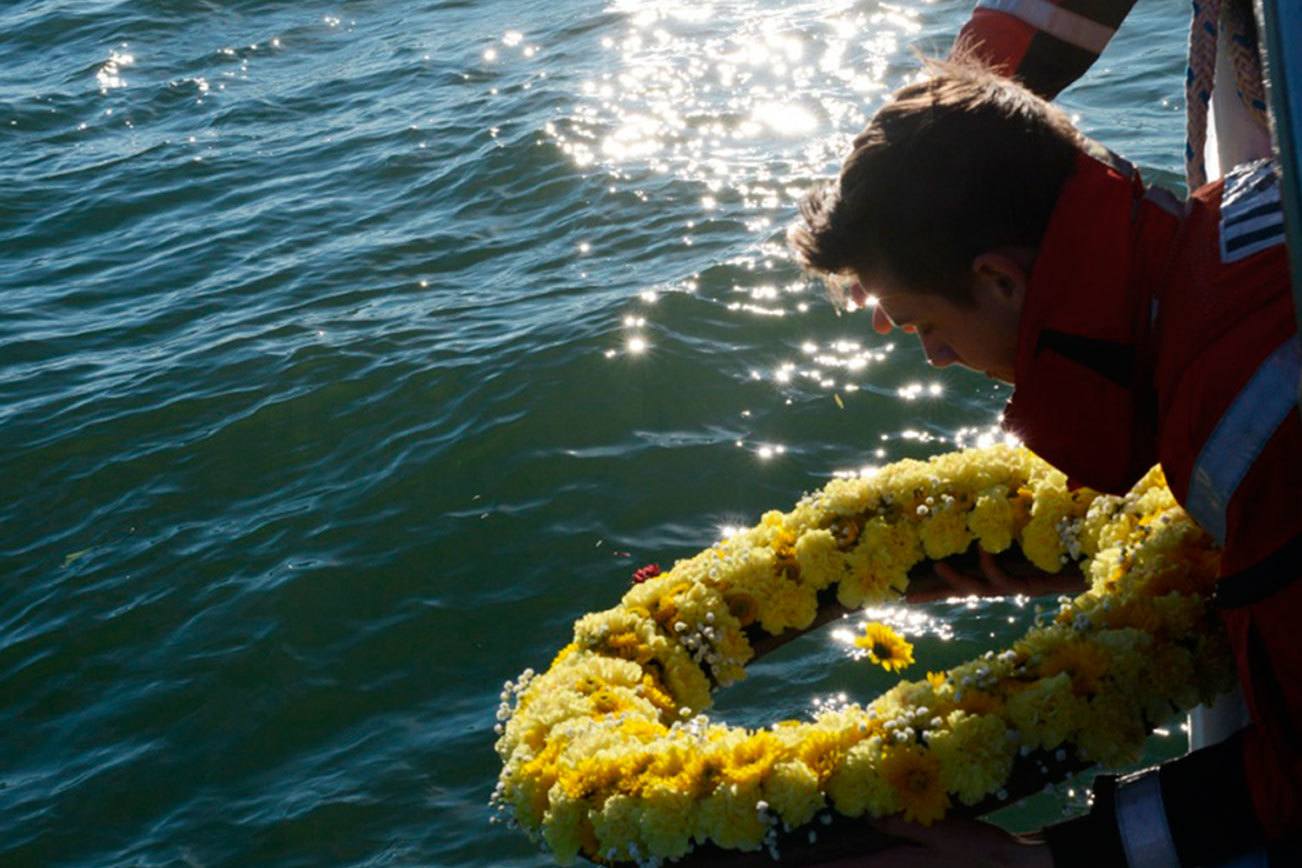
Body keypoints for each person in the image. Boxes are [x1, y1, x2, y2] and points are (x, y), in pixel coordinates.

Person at [789, 58, 1301, 866]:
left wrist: (1034, 859)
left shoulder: (1250, 427)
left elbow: (1299, 782)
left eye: (923, 323)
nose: (936, 357)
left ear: (998, 279)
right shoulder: (1253, 203)